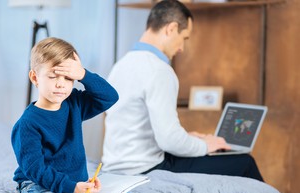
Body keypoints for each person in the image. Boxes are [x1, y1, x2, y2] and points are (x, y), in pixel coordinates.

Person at [102, 0, 263, 181]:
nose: (181, 48)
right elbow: (169, 140)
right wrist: (206, 146)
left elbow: (135, 125)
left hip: (116, 166)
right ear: (171, 29)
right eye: (184, 38)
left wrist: (189, 137)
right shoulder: (159, 70)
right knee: (244, 162)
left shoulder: (121, 65)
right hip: (146, 168)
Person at [11, 37, 133, 193]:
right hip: (38, 186)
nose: (61, 84)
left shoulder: (74, 103)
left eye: (68, 78)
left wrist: (84, 74)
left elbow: (110, 97)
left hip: (76, 186)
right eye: (53, 76)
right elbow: (35, 170)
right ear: (34, 78)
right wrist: (73, 187)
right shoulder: (28, 123)